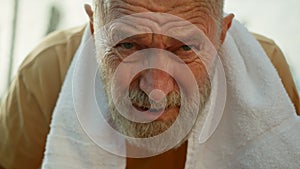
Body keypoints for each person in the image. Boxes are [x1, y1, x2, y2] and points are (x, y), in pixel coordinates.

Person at [0, 0, 299, 169]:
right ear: (94, 30)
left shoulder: (266, 75)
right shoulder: (44, 74)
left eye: (185, 49)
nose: (155, 87)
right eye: (128, 44)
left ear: (221, 36)